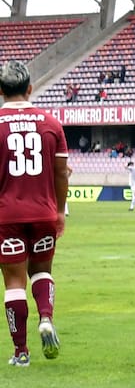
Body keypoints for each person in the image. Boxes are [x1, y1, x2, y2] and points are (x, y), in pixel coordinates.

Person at [0, 61, 69, 367]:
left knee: (14, 283)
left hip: (6, 216)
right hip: (43, 213)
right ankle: (46, 317)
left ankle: (21, 352)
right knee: (42, 271)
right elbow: (61, 173)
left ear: (1, 91)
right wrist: (60, 211)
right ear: (30, 88)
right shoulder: (51, 123)